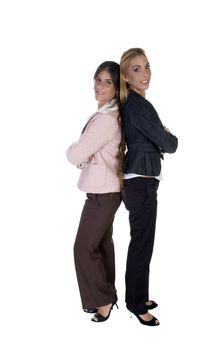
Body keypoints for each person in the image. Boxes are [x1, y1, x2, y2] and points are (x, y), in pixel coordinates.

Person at [119, 48, 178, 326]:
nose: (145, 74)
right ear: (126, 76)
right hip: (140, 183)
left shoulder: (136, 103)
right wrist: (165, 136)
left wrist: (160, 137)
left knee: (142, 243)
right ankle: (136, 303)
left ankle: (138, 295)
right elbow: (170, 144)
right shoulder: (136, 105)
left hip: (142, 181)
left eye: (147, 67)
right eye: (137, 69)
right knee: (142, 245)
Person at [66, 61, 124, 322]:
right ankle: (107, 297)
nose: (99, 86)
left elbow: (75, 153)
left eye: (107, 82)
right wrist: (86, 156)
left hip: (103, 193)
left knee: (83, 248)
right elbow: (88, 153)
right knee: (100, 244)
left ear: (116, 88)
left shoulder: (106, 120)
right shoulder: (110, 114)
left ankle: (103, 301)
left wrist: (78, 154)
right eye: (97, 79)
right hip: (106, 190)